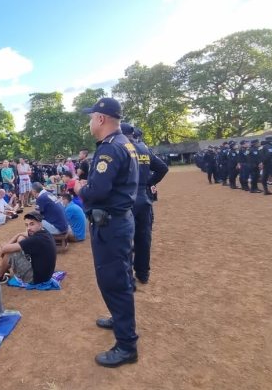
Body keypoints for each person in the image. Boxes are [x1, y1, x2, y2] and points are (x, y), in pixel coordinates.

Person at [74, 97, 139, 367]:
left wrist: (79, 189)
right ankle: (118, 319)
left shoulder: (110, 148)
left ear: (101, 119)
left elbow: (98, 191)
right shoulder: (124, 143)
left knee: (113, 281)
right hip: (119, 221)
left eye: (91, 117)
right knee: (120, 276)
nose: (90, 122)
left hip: (111, 225)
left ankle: (126, 346)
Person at [121, 123, 168, 285]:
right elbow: (162, 168)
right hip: (144, 199)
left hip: (127, 200)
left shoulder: (121, 148)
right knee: (143, 238)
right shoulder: (144, 148)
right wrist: (148, 183)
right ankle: (143, 273)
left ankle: (129, 279)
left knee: (125, 240)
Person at [0, 211, 57, 284]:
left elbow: (6, 249)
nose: (28, 228)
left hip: (36, 278)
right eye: (27, 225)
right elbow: (23, 235)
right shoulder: (43, 232)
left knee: (10, 253)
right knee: (21, 238)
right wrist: (18, 235)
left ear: (40, 224)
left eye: (32, 224)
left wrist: (2, 250)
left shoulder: (37, 239)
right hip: (45, 275)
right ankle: (5, 267)